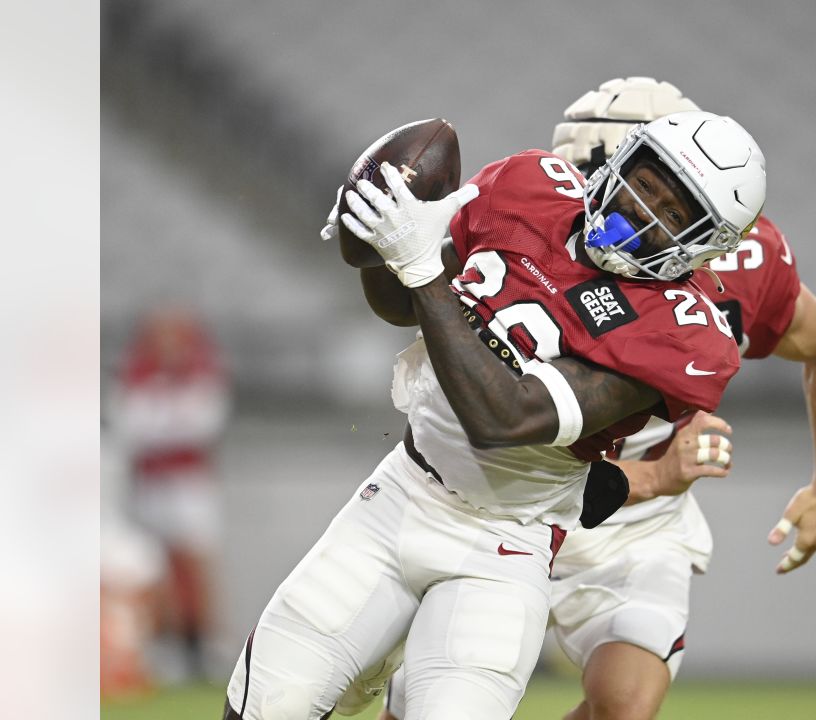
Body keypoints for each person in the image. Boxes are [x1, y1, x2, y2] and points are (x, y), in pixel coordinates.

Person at [222, 109, 767, 720]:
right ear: (623, 161)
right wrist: (379, 236)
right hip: (401, 493)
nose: (644, 211)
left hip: (502, 546)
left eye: (675, 213)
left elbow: (505, 418)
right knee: (267, 706)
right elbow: (404, 307)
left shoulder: (681, 334)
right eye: (648, 183)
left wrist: (420, 264)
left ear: (706, 244)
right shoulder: (530, 185)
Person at [377, 76, 816, 720]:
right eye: (606, 175)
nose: (616, 209)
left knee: (625, 707)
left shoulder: (748, 261)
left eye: (664, 197)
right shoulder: (535, 214)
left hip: (631, 528)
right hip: (502, 499)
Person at [108, 307, 231, 680]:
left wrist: (161, 422)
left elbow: (203, 424)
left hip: (188, 482)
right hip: (150, 483)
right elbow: (131, 427)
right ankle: (165, 645)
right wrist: (166, 421)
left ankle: (203, 643)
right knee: (157, 566)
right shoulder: (136, 373)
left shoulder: (201, 371)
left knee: (195, 560)